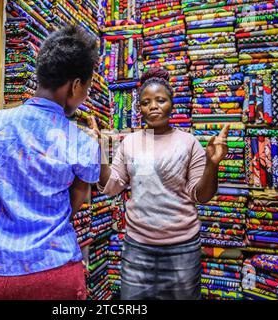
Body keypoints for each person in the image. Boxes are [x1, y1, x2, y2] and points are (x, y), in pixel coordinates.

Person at [0, 25, 100, 300]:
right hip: (58, 271)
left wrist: (11, 209)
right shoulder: (83, 143)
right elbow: (73, 206)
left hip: (2, 273)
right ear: (75, 85)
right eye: (86, 87)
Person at [89, 68, 230, 300]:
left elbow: (201, 196)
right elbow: (112, 187)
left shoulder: (188, 142)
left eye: (160, 100)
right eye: (146, 103)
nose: (153, 106)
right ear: (139, 109)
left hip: (182, 249)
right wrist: (100, 151)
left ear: (171, 104)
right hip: (137, 248)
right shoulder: (132, 142)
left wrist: (212, 164)